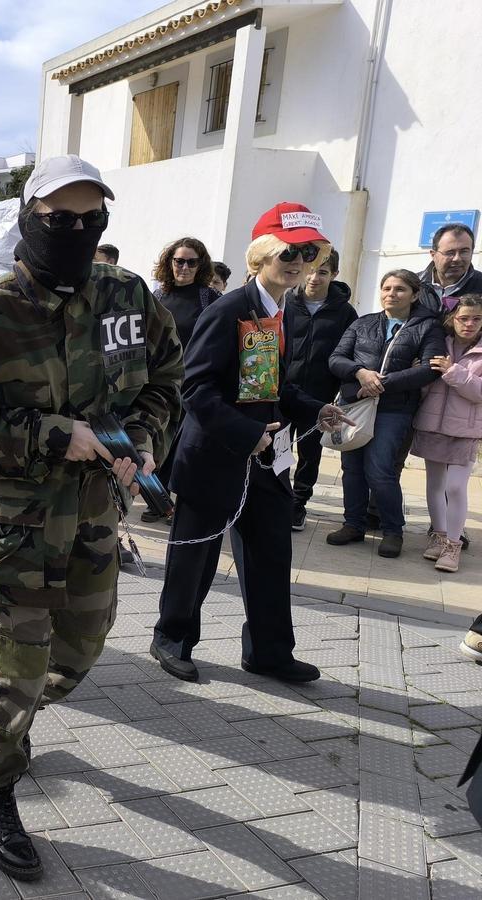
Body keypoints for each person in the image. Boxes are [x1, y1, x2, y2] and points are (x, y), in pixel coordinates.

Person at [0, 155, 183, 882]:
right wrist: (49, 434)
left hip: (97, 516)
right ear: (28, 218)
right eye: (59, 220)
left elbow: (166, 382)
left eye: (91, 220)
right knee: (17, 664)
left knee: (78, 651)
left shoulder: (129, 296)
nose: (76, 230)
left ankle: (11, 724)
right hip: (16, 523)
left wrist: (143, 442)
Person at [152, 202, 353, 686]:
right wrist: (249, 435)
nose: (298, 260)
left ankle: (269, 652)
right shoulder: (228, 310)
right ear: (261, 255)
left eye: (308, 252)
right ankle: (172, 639)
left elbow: (271, 384)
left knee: (270, 554)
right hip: (216, 456)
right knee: (194, 556)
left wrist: (312, 409)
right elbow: (195, 388)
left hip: (267, 459)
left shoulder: (280, 309)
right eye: (289, 250)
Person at [326, 269, 444, 558]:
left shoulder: (428, 327)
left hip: (395, 409)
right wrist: (361, 373)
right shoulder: (363, 323)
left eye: (400, 289)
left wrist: (380, 384)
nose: (392, 293)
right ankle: (353, 524)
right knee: (352, 468)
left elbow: (430, 368)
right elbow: (336, 359)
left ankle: (393, 531)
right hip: (355, 405)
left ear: (415, 294)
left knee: (380, 470)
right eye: (387, 288)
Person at [145, 237, 222, 520]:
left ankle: (172, 500)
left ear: (200, 265)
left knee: (181, 445)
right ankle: (157, 498)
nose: (185, 267)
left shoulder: (210, 299)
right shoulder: (158, 297)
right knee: (155, 441)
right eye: (179, 261)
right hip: (158, 382)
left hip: (193, 384)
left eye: (192, 262)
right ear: (170, 263)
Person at [282, 248, 357, 530]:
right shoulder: (285, 302)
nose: (314, 278)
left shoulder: (345, 313)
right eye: (310, 270)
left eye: (322, 272)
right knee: (276, 449)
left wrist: (340, 394)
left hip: (318, 396)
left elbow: (349, 353)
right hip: (282, 390)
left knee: (309, 452)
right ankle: (275, 498)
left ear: (334, 275)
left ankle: (298, 503)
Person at [412, 294, 482, 573]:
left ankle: (454, 544)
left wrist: (453, 371)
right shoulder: (439, 344)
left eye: (477, 319)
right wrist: (419, 373)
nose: (469, 324)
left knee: (455, 486)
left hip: (465, 429)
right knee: (435, 485)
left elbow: (478, 393)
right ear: (452, 319)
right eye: (463, 318)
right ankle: (439, 537)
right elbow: (427, 386)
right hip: (432, 424)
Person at [419, 223, 482, 313]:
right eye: (450, 252)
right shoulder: (413, 284)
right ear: (433, 255)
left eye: (464, 252)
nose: (457, 258)